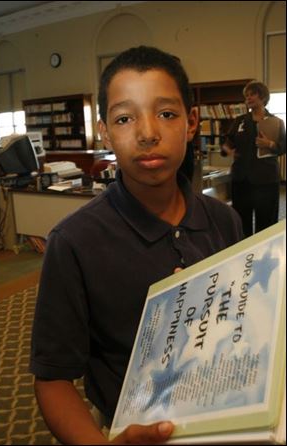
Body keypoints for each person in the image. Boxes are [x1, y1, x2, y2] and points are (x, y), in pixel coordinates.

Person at [30, 46, 243, 445]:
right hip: (129, 427)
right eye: (125, 118)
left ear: (192, 122)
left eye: (166, 113)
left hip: (226, 411)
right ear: (106, 131)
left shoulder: (224, 220)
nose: (147, 133)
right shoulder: (74, 241)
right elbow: (53, 377)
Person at [222, 80, 286, 237]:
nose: (248, 98)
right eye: (246, 96)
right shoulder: (239, 121)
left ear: (263, 97)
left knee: (266, 222)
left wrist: (269, 143)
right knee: (240, 220)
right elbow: (227, 142)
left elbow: (283, 147)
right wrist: (227, 150)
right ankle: (244, 254)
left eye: (252, 94)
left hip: (266, 179)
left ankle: (264, 256)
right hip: (241, 179)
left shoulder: (277, 122)